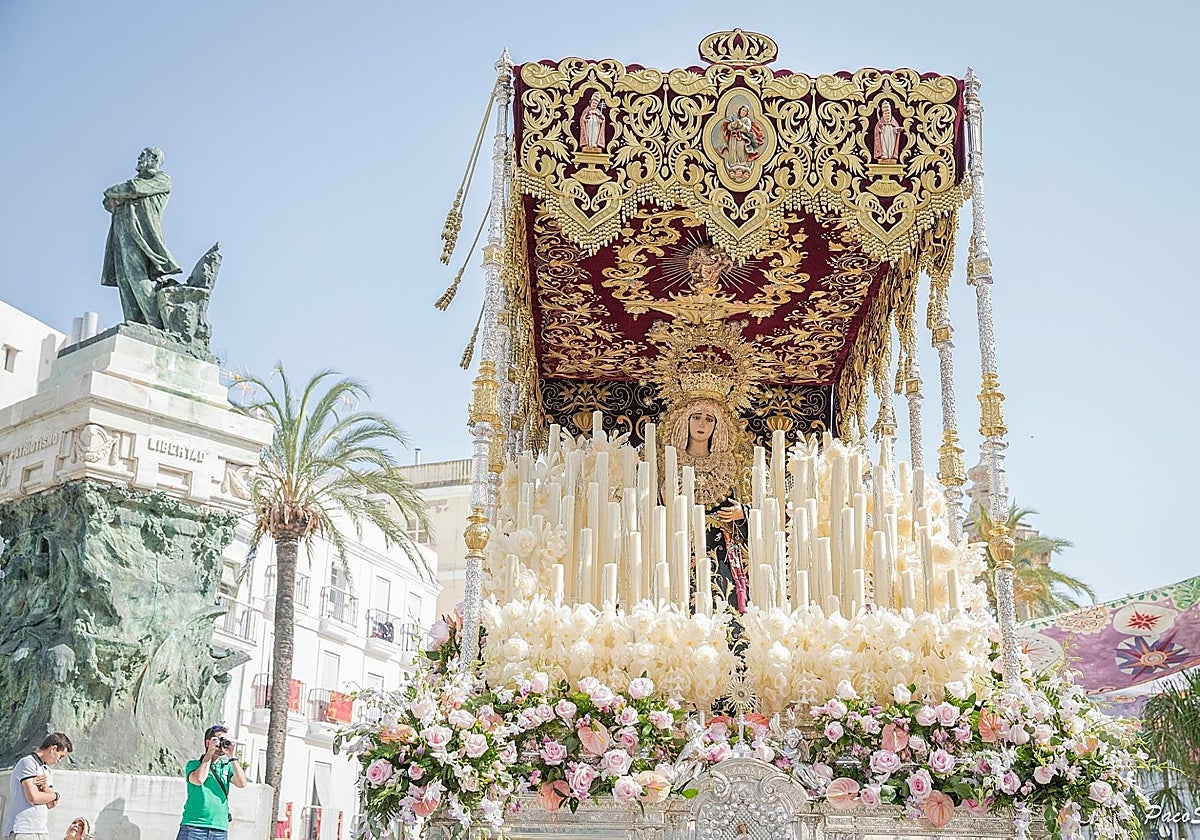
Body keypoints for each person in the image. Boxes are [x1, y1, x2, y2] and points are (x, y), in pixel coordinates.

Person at [668, 398, 749, 615]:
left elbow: (757, 504)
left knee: (724, 607)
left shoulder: (731, 464)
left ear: (717, 425)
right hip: (680, 544)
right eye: (696, 417)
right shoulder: (667, 462)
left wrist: (741, 513)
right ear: (684, 421)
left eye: (709, 419)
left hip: (720, 549)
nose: (702, 424)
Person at [100, 146, 182, 329]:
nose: (139, 158)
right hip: (119, 231)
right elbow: (107, 201)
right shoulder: (139, 181)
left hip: (140, 234)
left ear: (154, 158)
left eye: (143, 155)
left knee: (136, 275)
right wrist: (118, 194)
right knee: (124, 279)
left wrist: (120, 193)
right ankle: (134, 322)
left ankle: (156, 324)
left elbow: (133, 188)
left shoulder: (162, 179)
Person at [176, 725, 246, 840]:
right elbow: (199, 780)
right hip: (194, 827)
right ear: (208, 742)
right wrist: (210, 753)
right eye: (219, 740)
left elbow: (242, 783)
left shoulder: (226, 766)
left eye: (225, 740)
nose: (222, 744)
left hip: (219, 829)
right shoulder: (193, 765)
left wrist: (232, 756)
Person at [1, 732, 73, 840]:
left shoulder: (47, 770)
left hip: (41, 831)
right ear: (53, 749)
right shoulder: (27, 763)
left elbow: (51, 804)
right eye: (60, 756)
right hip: (23, 830)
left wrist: (44, 786)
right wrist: (56, 795)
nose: (59, 761)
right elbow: (34, 797)